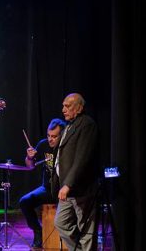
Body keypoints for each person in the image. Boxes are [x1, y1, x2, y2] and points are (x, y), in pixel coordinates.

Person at [53, 93, 99, 251]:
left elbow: (82, 158)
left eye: (68, 106)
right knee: (61, 223)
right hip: (67, 189)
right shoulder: (69, 125)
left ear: (79, 108)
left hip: (80, 188)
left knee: (86, 229)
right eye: (63, 105)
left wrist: (68, 184)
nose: (63, 109)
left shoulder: (87, 124)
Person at [19, 118, 66, 248]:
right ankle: (38, 231)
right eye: (48, 135)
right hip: (47, 188)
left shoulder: (67, 146)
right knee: (25, 201)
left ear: (62, 135)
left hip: (64, 189)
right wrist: (30, 157)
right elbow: (30, 166)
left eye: (54, 136)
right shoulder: (44, 144)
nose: (50, 139)